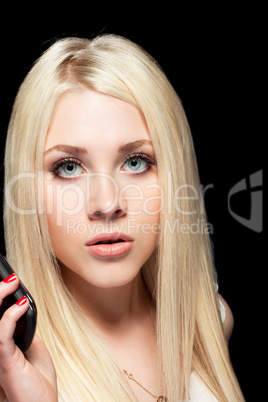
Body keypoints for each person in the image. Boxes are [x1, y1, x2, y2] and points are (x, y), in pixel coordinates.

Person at [0, 34, 244, 401]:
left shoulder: (208, 319)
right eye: (68, 167)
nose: (107, 203)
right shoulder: (15, 371)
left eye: (135, 162)